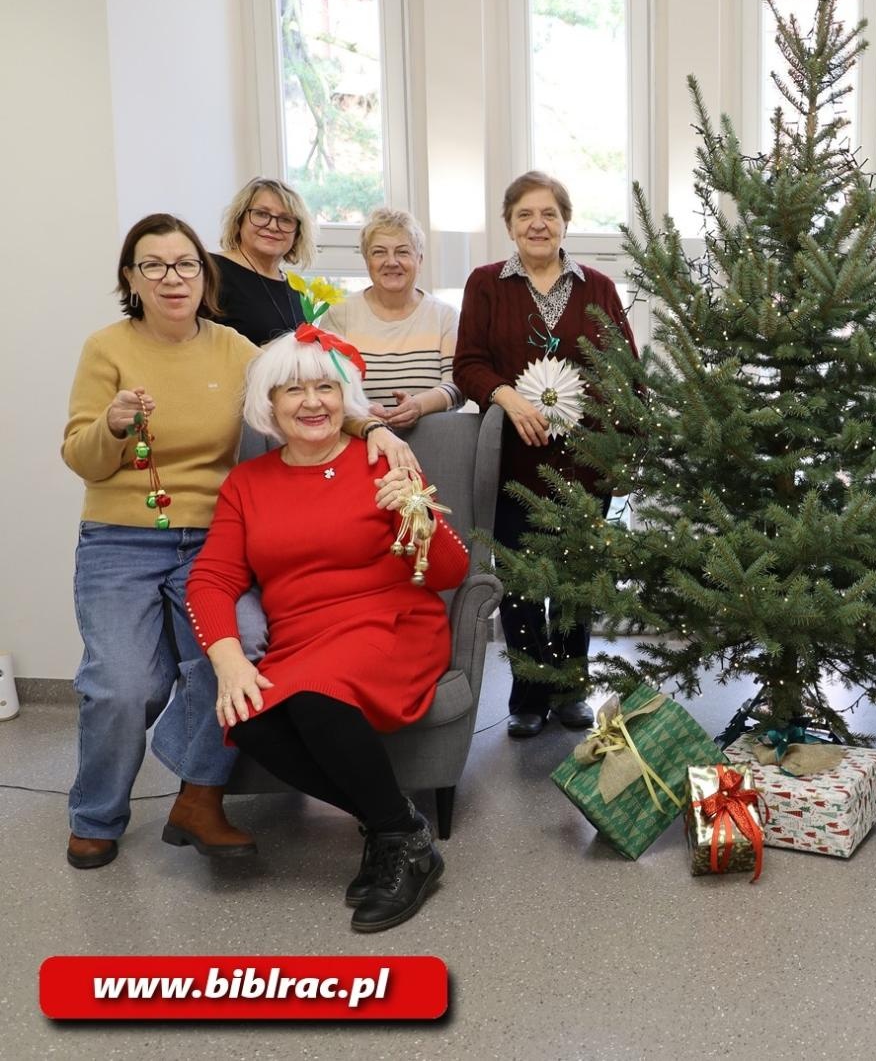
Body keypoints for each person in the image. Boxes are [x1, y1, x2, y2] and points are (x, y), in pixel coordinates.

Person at [60, 214, 420, 872]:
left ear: (206, 275)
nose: (173, 278)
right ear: (131, 278)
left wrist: (373, 428)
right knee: (124, 685)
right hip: (119, 537)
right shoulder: (105, 348)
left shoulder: (233, 349)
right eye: (155, 265)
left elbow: (303, 387)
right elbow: (83, 460)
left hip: (212, 537)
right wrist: (111, 426)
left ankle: (198, 797)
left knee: (243, 650)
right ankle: (96, 815)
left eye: (186, 265)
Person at [186, 330, 468, 932]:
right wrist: (229, 660)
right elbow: (211, 579)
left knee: (316, 697)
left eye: (326, 388)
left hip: (390, 623)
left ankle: (396, 839)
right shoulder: (248, 483)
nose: (313, 403)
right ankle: (399, 827)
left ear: (346, 398)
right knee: (247, 716)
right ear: (270, 404)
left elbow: (450, 571)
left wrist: (410, 514)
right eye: (295, 390)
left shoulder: (381, 462)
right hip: (303, 635)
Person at [453, 171, 639, 739]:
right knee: (524, 578)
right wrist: (507, 396)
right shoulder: (485, 284)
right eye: (525, 215)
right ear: (509, 225)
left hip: (585, 463)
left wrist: (607, 437)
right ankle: (529, 693)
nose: (538, 224)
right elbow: (469, 364)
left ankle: (571, 688)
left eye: (549, 214)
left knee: (577, 578)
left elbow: (625, 368)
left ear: (565, 222)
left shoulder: (598, 288)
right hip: (514, 462)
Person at [322, 207, 462, 427]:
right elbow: (326, 386)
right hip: (360, 438)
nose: (391, 261)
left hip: (432, 445)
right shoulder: (340, 313)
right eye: (379, 252)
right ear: (367, 261)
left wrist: (419, 405)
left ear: (420, 259)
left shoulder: (444, 315)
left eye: (403, 252)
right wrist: (362, 409)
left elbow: (458, 386)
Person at [213, 177, 315, 346]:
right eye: (262, 214)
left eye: (285, 219)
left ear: (297, 233)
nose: (273, 226)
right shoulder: (211, 271)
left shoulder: (296, 288)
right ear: (240, 219)